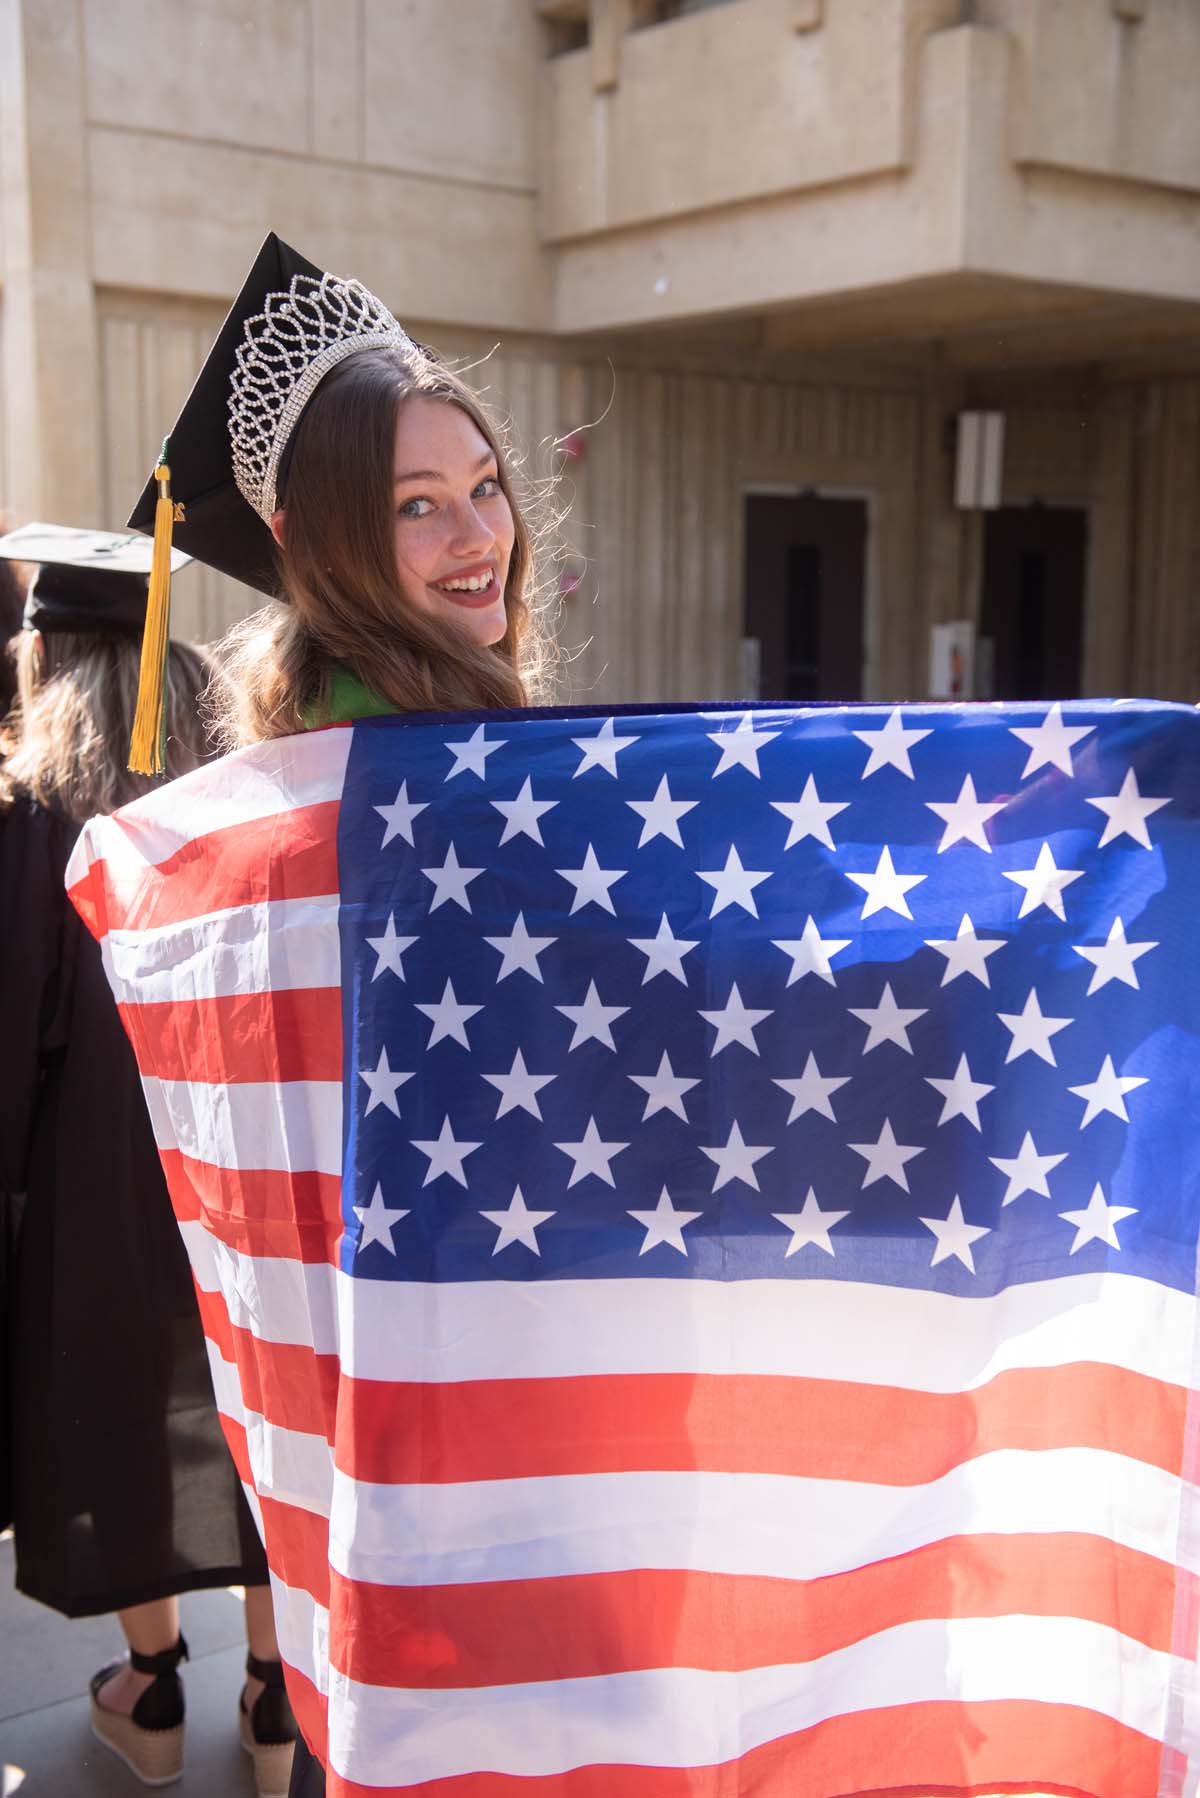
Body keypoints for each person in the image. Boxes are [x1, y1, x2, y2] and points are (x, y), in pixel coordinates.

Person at [100, 234, 552, 1798]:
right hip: (455, 1426)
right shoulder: (349, 822)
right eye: (413, 507)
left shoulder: (429, 767)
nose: (474, 535)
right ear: (320, 545)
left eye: (481, 484)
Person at [0, 525, 297, 1797]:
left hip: (97, 1174)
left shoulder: (28, 813)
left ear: (48, 654)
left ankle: (153, 1687)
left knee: (121, 1403)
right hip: (255, 1164)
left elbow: (15, 1019)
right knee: (258, 1411)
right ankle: (279, 1695)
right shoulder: (253, 783)